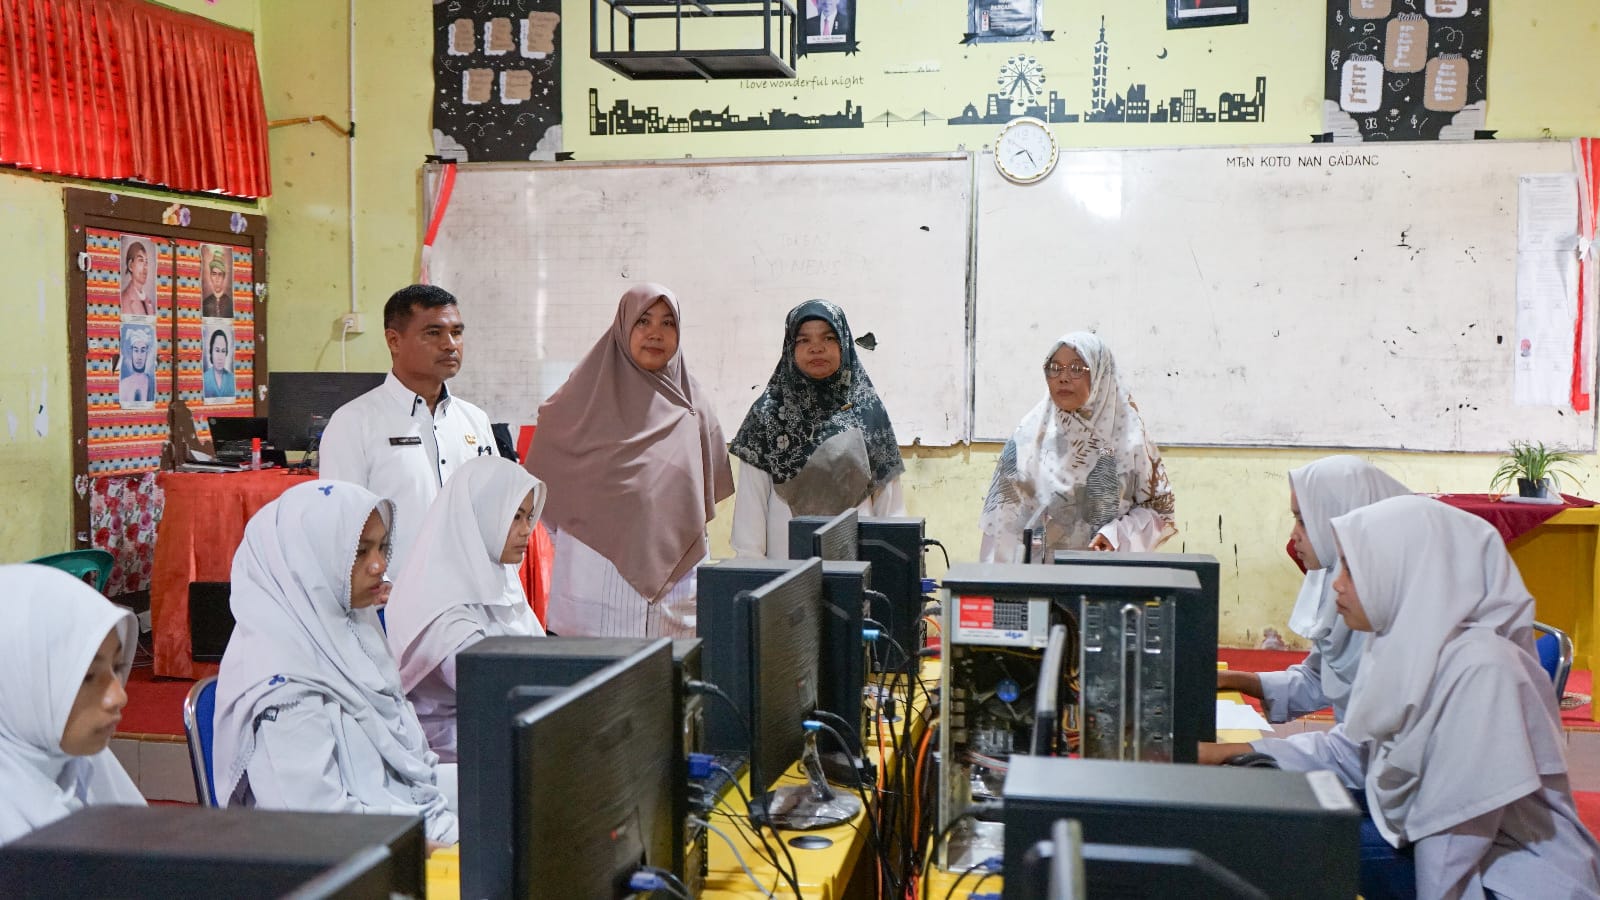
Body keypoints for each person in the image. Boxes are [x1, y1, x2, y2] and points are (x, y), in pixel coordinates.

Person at [1208, 496, 1600, 899]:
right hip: (1441, 841)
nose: (1337, 584)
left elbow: (1453, 837)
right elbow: (1353, 751)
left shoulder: (1483, 670)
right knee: (1272, 807)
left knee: (1289, 838)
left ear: (1406, 573)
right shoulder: (1408, 642)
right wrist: (1225, 755)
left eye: (1352, 569)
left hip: (1510, 880)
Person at [213, 480, 458, 846]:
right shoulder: (284, 688)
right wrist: (432, 853)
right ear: (305, 562)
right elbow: (315, 831)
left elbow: (416, 778)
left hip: (408, 838)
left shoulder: (350, 631)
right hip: (359, 867)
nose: (379, 565)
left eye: (382, 548)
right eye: (359, 552)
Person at [525, 283, 734, 638]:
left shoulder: (693, 408)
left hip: (674, 603)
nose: (656, 333)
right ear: (623, 328)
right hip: (593, 598)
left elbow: (699, 505)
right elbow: (544, 504)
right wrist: (593, 544)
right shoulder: (576, 403)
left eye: (668, 323)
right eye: (644, 321)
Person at [1217, 455, 1409, 727]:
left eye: (1304, 521)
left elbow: (1356, 752)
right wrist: (1233, 679)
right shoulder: (1340, 587)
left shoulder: (1391, 612)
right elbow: (1318, 678)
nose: (1293, 535)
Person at [319, 284, 497, 572]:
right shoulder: (354, 423)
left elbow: (494, 511)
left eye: (457, 332)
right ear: (394, 341)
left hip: (471, 596)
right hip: (392, 602)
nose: (450, 344)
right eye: (433, 333)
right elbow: (341, 524)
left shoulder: (474, 420)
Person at [385, 456, 547, 761]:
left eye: (529, 516)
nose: (527, 530)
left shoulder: (495, 575)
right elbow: (495, 685)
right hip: (451, 755)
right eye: (515, 517)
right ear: (481, 515)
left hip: (500, 734)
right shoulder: (438, 600)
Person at [729, 299, 905, 559]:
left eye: (828, 338)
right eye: (803, 340)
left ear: (844, 343)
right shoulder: (767, 415)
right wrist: (755, 583)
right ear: (790, 347)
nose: (816, 349)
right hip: (782, 581)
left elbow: (890, 511)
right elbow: (749, 522)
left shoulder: (868, 412)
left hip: (858, 579)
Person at [978, 331, 1175, 562]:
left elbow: (1159, 511)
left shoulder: (1130, 437)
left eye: (1076, 369)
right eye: (1055, 368)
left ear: (1101, 373)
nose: (1063, 377)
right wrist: (998, 588)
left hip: (1107, 581)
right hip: (1038, 583)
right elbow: (1001, 523)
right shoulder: (1028, 436)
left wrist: (1116, 534)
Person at [0, 565, 144, 846]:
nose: (119, 697)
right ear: (16, 683)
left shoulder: (80, 765)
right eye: (87, 676)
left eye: (118, 667)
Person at [118, 325, 157, 407]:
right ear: (131, 352)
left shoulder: (153, 383)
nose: (139, 357)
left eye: (142, 351)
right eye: (136, 350)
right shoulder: (123, 385)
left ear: (147, 353)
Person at [119, 241, 155, 317]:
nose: (145, 267)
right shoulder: (124, 300)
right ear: (130, 265)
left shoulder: (149, 302)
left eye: (146, 262)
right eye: (141, 261)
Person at [202, 328, 236, 400]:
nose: (220, 357)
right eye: (217, 350)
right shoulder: (204, 379)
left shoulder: (232, 379)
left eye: (223, 351)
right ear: (211, 351)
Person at [201, 249, 233, 319]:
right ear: (210, 276)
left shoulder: (230, 303)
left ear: (224, 277)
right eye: (214, 274)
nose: (217, 278)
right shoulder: (205, 303)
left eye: (220, 274)